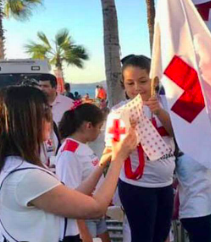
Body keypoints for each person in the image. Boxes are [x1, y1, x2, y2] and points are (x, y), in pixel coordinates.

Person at [0, 85, 137, 242]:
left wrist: (103, 163)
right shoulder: (26, 176)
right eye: (45, 113)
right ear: (26, 121)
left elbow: (73, 196)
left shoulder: (15, 167)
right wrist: (118, 158)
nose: (51, 120)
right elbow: (96, 208)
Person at [107, 55, 176, 242]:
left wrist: (159, 112)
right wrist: (128, 128)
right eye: (130, 83)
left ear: (153, 81)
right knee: (142, 237)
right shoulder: (118, 111)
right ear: (123, 84)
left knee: (161, 235)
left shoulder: (167, 103)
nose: (137, 88)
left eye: (143, 81)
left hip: (165, 184)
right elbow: (114, 149)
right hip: (137, 186)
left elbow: (178, 137)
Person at [56, 103, 111, 242]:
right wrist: (83, 231)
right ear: (88, 126)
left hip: (94, 213)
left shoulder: (82, 147)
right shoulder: (69, 153)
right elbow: (70, 197)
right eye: (99, 127)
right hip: (84, 219)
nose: (99, 132)